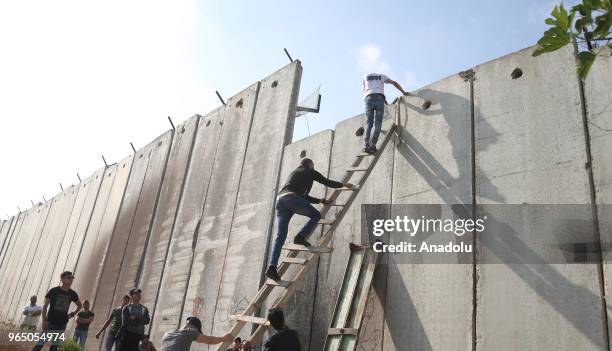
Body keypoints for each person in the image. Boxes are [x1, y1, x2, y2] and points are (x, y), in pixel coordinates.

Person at [265, 158, 351, 281]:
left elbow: (303, 196)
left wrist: (320, 201)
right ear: (310, 165)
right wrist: (344, 184)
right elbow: (327, 182)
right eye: (313, 165)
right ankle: (300, 237)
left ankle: (272, 268)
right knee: (316, 215)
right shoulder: (309, 171)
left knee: (280, 236)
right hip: (291, 199)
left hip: (281, 201)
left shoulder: (295, 173)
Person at [361, 73, 411, 154]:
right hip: (380, 98)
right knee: (378, 123)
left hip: (368, 98)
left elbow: (365, 91)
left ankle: (366, 144)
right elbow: (394, 83)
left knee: (369, 122)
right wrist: (403, 92)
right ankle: (373, 145)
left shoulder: (365, 76)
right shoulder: (382, 76)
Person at [32, 271, 82, 351]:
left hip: (62, 324)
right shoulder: (54, 291)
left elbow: (80, 305)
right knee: (40, 344)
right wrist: (44, 320)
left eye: (72, 278)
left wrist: (72, 314)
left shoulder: (72, 293)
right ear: (62, 279)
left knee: (54, 347)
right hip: (50, 322)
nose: (71, 279)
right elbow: (45, 306)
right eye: (69, 277)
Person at [160, 316, 233, 351]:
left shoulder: (167, 334)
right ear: (193, 327)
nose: (197, 333)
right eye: (197, 331)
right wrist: (223, 338)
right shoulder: (189, 332)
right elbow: (209, 340)